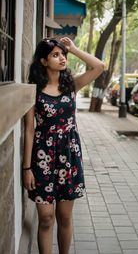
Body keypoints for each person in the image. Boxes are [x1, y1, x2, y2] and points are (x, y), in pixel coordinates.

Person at [22, 37, 104, 254]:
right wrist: (26, 168)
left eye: (63, 54)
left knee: (65, 217)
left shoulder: (71, 85)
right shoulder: (34, 91)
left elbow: (99, 66)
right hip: (42, 158)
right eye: (55, 55)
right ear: (43, 61)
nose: (62, 58)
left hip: (69, 156)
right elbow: (29, 130)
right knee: (47, 218)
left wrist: (74, 49)